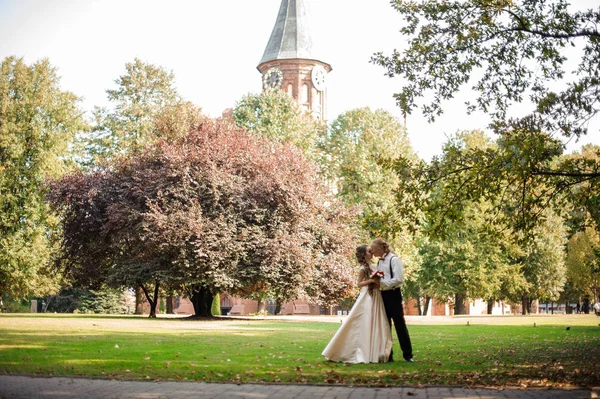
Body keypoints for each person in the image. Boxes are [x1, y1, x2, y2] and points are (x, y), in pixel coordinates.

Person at [322, 245, 392, 363]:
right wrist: (371, 280)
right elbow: (359, 284)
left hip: (376, 295)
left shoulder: (373, 266)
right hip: (368, 297)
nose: (372, 252)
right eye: (369, 251)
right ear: (365, 254)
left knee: (376, 323)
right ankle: (353, 351)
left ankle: (374, 352)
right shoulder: (363, 268)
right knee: (364, 321)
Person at [370, 238, 414, 362]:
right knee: (385, 326)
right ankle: (388, 355)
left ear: (379, 249)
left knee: (400, 325)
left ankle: (408, 355)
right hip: (382, 296)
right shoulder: (379, 262)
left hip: (393, 294)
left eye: (373, 250)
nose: (372, 252)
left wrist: (382, 284)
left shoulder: (394, 260)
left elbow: (398, 279)